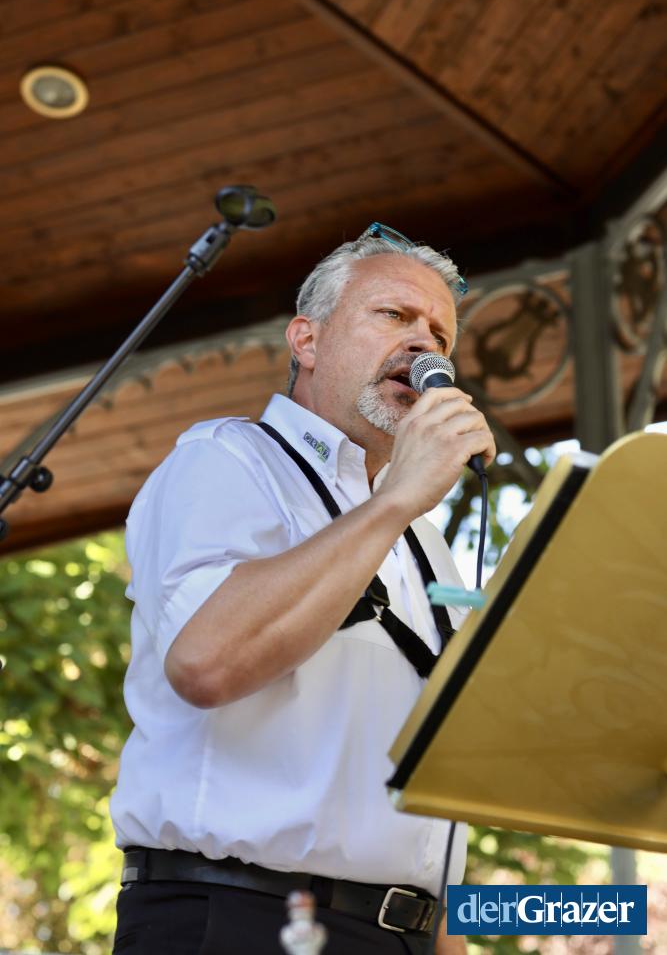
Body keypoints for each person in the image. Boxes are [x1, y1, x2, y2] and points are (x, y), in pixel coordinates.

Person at [110, 223, 496, 955]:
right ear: (307, 340)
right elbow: (206, 664)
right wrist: (397, 500)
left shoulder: (427, 541)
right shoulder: (226, 458)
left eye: (440, 334)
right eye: (394, 315)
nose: (424, 345)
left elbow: (432, 811)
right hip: (239, 919)